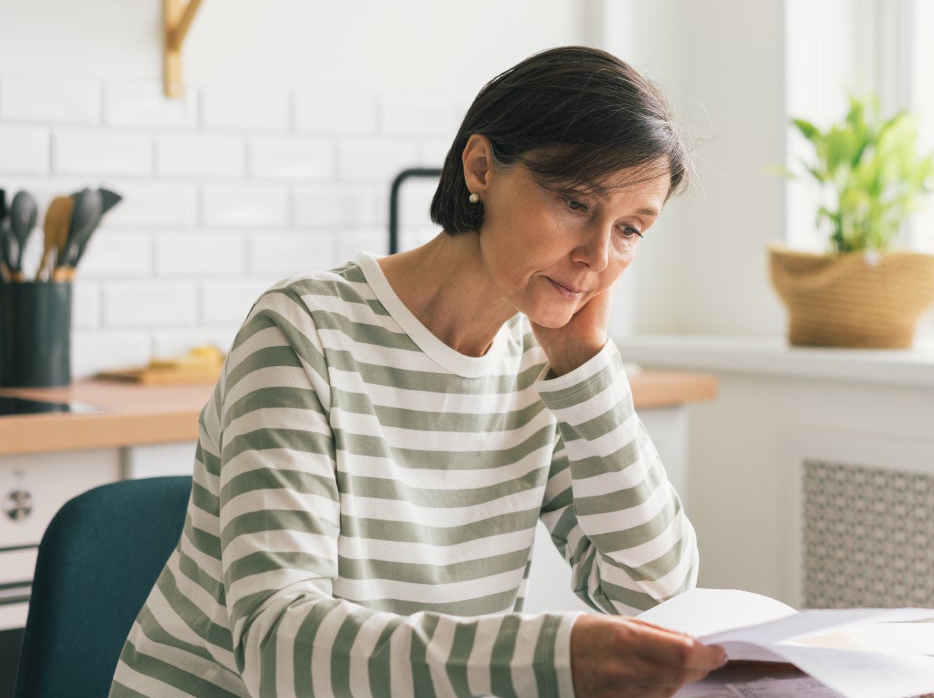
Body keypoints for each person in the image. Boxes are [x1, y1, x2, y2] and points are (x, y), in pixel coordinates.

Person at [110, 46, 726, 698]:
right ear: (481, 166)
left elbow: (654, 597)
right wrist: (551, 658)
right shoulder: (301, 334)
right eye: (576, 203)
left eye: (630, 229)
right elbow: (279, 646)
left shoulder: (544, 367)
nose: (596, 257)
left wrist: (584, 368)